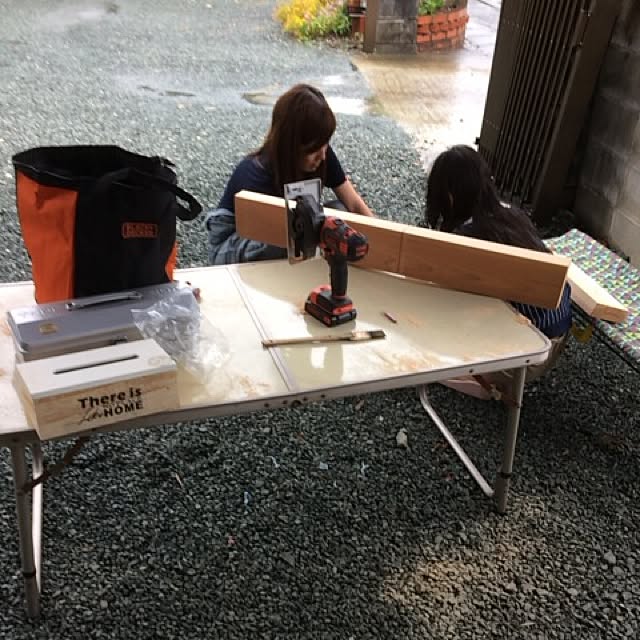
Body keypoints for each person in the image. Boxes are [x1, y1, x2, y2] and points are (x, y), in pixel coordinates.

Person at [425, 144, 572, 399]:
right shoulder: (512, 214)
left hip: (527, 355)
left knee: (432, 339)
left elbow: (455, 304)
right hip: (557, 336)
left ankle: (491, 384)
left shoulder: (469, 238)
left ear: (449, 194)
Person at [205, 83, 374, 265]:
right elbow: (268, 242)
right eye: (313, 149)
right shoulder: (255, 174)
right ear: (291, 145)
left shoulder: (321, 154)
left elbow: (354, 204)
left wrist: (378, 243)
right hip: (233, 242)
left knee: (340, 216)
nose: (322, 156)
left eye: (325, 144)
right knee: (293, 239)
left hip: (287, 228)